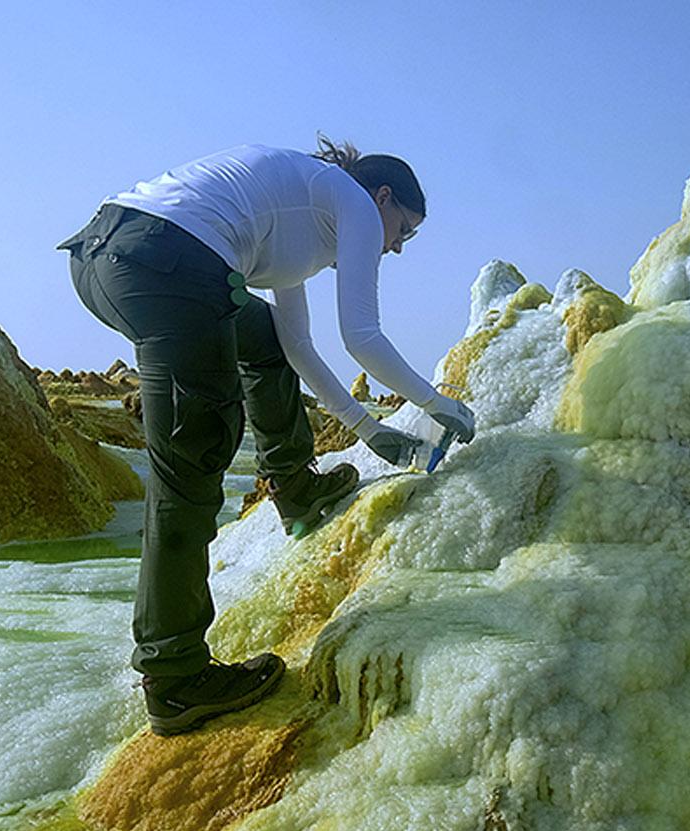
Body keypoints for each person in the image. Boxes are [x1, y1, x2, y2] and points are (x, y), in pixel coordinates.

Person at [58, 137, 475, 736]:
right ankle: (175, 676)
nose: (397, 246)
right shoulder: (352, 204)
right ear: (381, 198)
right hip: (168, 265)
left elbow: (295, 345)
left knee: (262, 338)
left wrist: (365, 427)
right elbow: (362, 336)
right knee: (192, 464)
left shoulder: (307, 208)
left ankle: (295, 485)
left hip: (107, 256)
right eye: (403, 228)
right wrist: (436, 403)